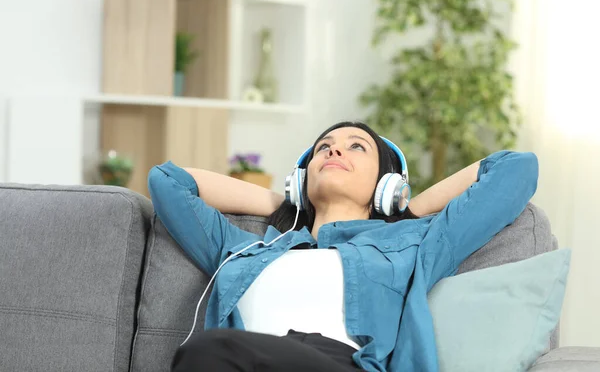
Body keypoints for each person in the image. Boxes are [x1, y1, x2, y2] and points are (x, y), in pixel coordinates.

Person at [148, 121, 539, 372]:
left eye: (356, 147)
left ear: (387, 184)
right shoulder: (248, 249)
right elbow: (168, 181)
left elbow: (515, 169)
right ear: (300, 181)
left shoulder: (414, 244)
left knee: (209, 351)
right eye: (324, 148)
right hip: (242, 358)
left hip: (342, 364)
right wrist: (286, 203)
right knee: (211, 352)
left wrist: (407, 210)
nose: (334, 151)